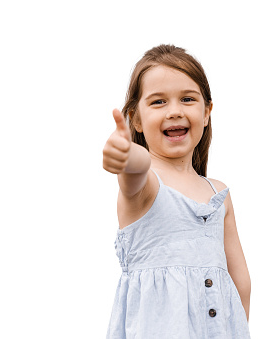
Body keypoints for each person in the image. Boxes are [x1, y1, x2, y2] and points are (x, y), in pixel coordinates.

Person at [103, 44, 251, 338]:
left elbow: (240, 280)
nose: (174, 111)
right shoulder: (147, 187)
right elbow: (136, 171)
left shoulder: (218, 193)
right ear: (136, 119)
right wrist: (126, 155)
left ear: (206, 112)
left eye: (187, 99)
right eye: (158, 102)